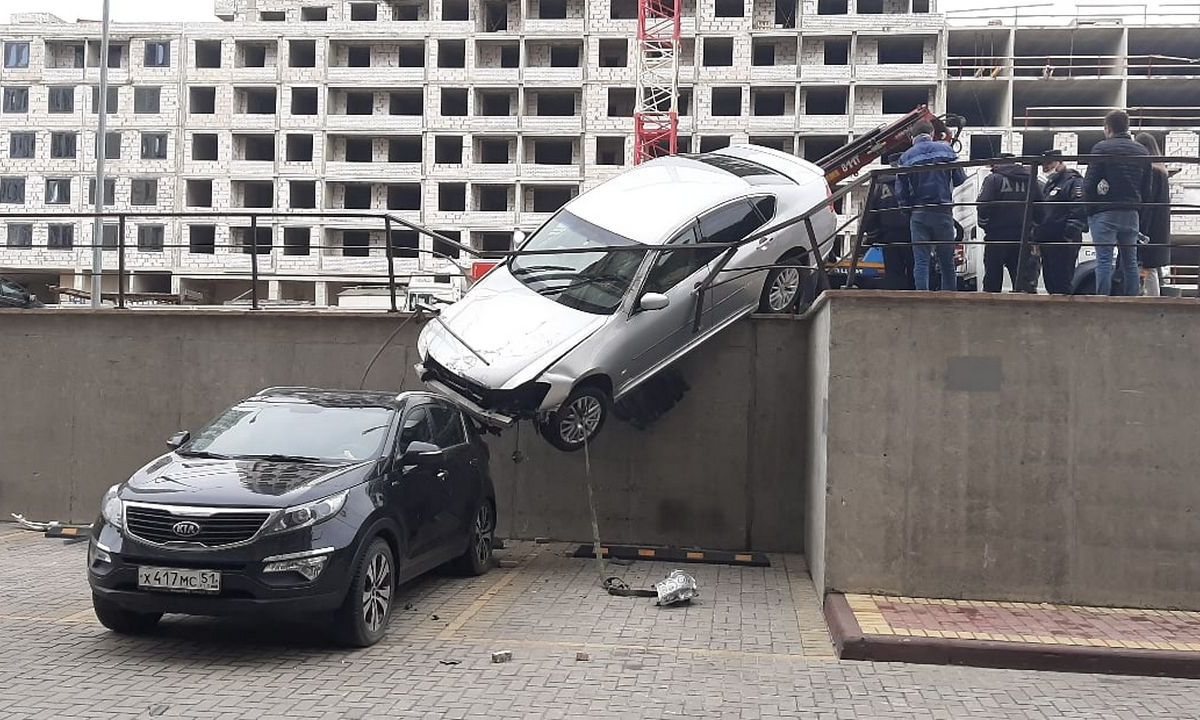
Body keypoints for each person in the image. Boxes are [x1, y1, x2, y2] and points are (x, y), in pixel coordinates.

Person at [1083, 109, 1153, 296]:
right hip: (1131, 213)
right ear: (1127, 127)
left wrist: (1089, 212)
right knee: (1130, 261)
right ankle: (1131, 300)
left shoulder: (1101, 148)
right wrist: (1139, 211)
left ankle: (1102, 300)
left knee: (1104, 260)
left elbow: (1088, 185)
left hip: (1104, 212)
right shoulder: (1142, 151)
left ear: (1108, 128)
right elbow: (1148, 189)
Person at [895, 120, 968, 291]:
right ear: (932, 133)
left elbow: (901, 191)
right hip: (943, 211)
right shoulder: (946, 149)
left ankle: (922, 297)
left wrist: (907, 210)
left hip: (919, 213)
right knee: (947, 261)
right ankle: (949, 298)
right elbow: (960, 179)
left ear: (912, 137)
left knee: (921, 260)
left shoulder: (906, 156)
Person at [977, 155, 1044, 293]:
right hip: (1023, 237)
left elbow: (983, 205)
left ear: (997, 164)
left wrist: (985, 225)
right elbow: (1040, 208)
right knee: (1023, 281)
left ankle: (990, 310)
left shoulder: (993, 179)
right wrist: (1033, 228)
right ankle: (1026, 311)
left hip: (996, 236)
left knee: (992, 279)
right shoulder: (1031, 180)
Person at [1034, 149, 1087, 295]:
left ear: (1060, 163)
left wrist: (1068, 235)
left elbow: (1078, 209)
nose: (1046, 168)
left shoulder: (1073, 181)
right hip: (1048, 241)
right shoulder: (1049, 184)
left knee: (1062, 282)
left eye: (1049, 164)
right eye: (1044, 165)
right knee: (1050, 282)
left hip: (1063, 241)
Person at [861, 153, 914, 290]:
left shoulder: (879, 184)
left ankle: (896, 301)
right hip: (912, 233)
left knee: (893, 272)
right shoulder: (913, 179)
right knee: (916, 268)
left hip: (888, 234)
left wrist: (873, 234)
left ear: (890, 164)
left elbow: (869, 212)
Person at [1134, 132, 1171, 296]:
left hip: (1150, 227)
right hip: (1160, 227)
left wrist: (1141, 228)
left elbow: (1148, 202)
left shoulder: (1151, 171)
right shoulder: (1162, 171)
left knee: (1147, 268)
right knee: (1151, 268)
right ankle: (1153, 299)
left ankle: (1152, 301)